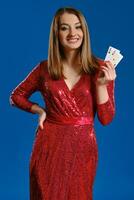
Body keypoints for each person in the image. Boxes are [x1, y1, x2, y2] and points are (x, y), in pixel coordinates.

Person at [9, 6, 116, 200]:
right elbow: (16, 96)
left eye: (78, 27)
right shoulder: (44, 69)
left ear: (84, 31)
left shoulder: (100, 68)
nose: (73, 33)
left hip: (83, 147)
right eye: (65, 28)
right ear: (56, 33)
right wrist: (39, 110)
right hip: (49, 145)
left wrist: (102, 85)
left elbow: (106, 119)